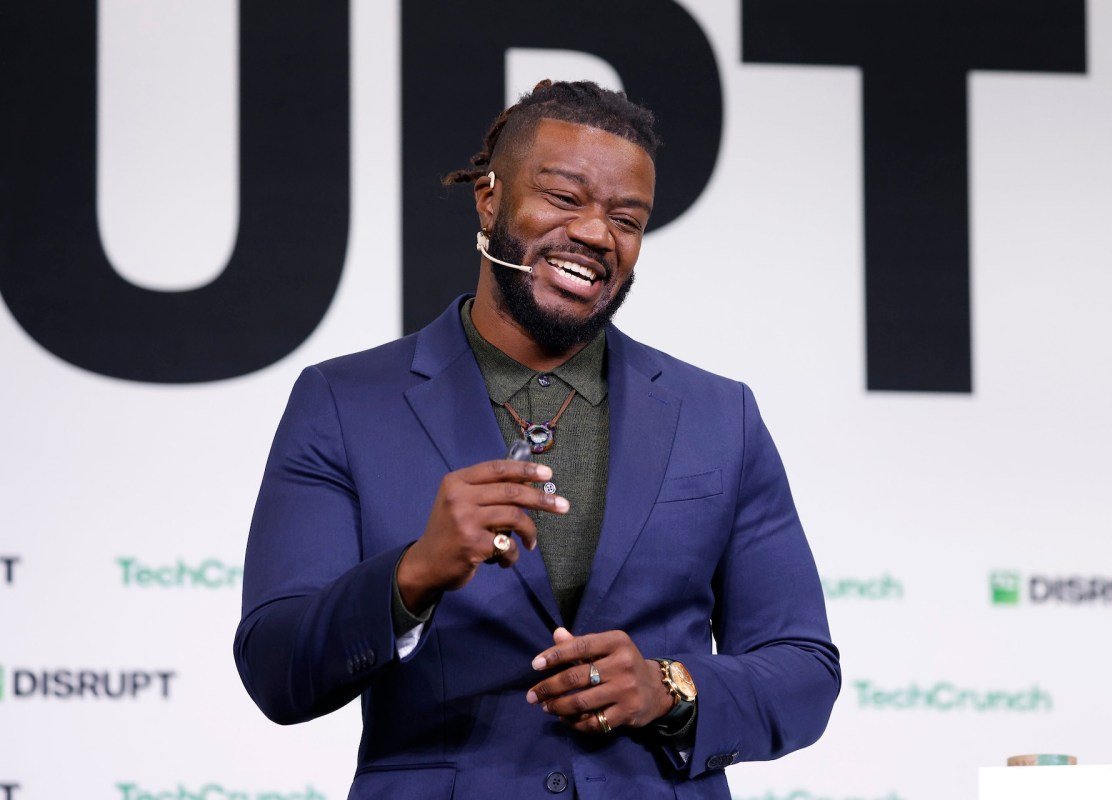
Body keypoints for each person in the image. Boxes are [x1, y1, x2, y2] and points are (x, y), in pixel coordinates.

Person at [234, 79, 839, 800]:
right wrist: (414, 574)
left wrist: (668, 687)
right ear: (489, 199)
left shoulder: (719, 415)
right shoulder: (345, 402)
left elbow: (803, 670)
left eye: (626, 218)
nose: (596, 234)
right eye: (563, 197)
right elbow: (275, 666)